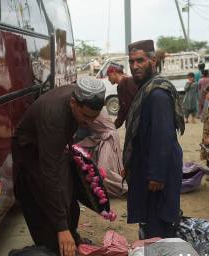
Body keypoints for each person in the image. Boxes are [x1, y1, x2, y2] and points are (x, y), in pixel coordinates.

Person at [12, 77, 105, 256]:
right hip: (32, 154)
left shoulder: (77, 98)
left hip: (54, 148)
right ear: (73, 103)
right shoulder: (55, 119)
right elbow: (50, 175)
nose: (88, 122)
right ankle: (55, 254)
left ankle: (73, 237)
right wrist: (61, 228)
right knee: (45, 205)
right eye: (85, 117)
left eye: (94, 117)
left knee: (69, 198)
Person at [123, 39, 185, 239]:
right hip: (148, 167)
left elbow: (163, 135)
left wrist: (157, 175)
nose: (135, 66)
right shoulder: (147, 88)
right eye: (132, 62)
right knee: (150, 222)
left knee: (159, 226)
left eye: (140, 60)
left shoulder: (157, 93)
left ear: (153, 61)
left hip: (157, 173)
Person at [75, 109, 128, 197]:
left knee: (104, 172)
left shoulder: (92, 108)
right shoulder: (89, 107)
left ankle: (126, 189)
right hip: (97, 138)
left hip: (108, 138)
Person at [106, 61, 138, 129]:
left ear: (114, 73)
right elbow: (122, 109)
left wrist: (114, 126)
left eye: (109, 76)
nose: (108, 79)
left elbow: (125, 109)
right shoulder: (122, 84)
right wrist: (115, 126)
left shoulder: (127, 82)